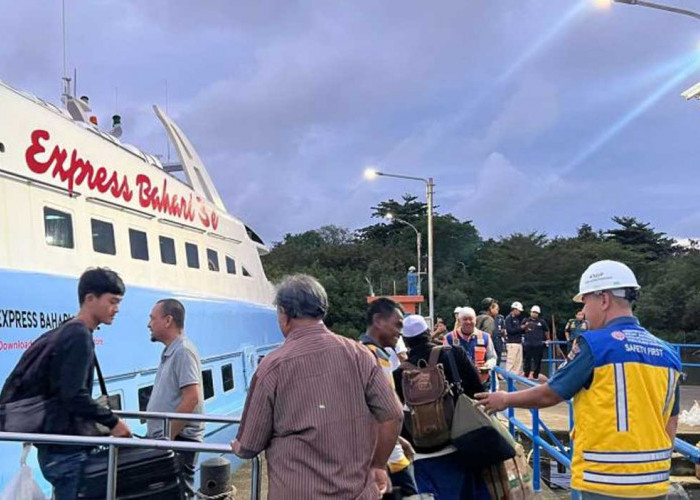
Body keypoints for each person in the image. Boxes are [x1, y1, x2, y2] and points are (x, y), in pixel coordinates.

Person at [476, 260, 682, 499]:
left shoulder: (594, 345)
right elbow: (672, 422)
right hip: (654, 481)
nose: (583, 312)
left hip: (604, 481)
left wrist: (505, 398)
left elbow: (551, 392)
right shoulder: (668, 353)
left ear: (603, 299)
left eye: (586, 302)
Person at [231, 275, 403, 499]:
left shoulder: (272, 366)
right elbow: (394, 415)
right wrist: (378, 465)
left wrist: (239, 446)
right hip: (358, 493)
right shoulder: (360, 355)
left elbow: (249, 445)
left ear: (284, 313)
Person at [37, 268, 132, 500]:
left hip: (55, 449)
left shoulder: (68, 330)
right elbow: (73, 395)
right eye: (112, 301)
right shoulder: (79, 335)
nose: (116, 309)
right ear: (90, 299)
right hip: (66, 452)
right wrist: (114, 423)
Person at [394, 315, 487, 499]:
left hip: (419, 452)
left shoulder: (399, 373)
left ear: (405, 340)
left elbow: (394, 414)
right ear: (429, 333)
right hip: (457, 444)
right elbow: (478, 391)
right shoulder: (453, 353)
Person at [361, 298, 419, 498]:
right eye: (397, 324)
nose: (400, 331)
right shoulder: (371, 356)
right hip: (385, 458)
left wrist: (397, 437)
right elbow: (383, 411)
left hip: (382, 451)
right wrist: (380, 460)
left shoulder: (370, 353)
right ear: (378, 320)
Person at [146, 299, 204, 496]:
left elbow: (191, 398)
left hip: (178, 443)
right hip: (169, 441)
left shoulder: (183, 351)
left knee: (178, 494)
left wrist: (167, 438)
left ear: (168, 320)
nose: (149, 324)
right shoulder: (171, 350)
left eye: (152, 318)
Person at [444, 307, 497, 389]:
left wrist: (488, 366)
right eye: (465, 319)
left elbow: (492, 357)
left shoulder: (485, 337)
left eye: (471, 319)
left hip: (481, 382)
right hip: (458, 384)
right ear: (459, 321)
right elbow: (444, 361)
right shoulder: (449, 338)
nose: (468, 322)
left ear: (475, 320)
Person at [521, 305, 550, 380]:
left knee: (538, 361)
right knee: (527, 360)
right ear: (531, 312)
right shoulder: (525, 320)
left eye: (536, 313)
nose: (534, 314)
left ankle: (536, 375)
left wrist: (548, 339)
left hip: (538, 344)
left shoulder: (541, 322)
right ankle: (526, 375)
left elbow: (546, 330)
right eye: (533, 312)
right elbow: (520, 329)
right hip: (528, 343)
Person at [504, 301, 525, 374]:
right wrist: (521, 328)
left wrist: (524, 329)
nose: (519, 312)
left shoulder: (516, 319)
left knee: (518, 362)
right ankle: (508, 377)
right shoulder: (508, 318)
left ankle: (515, 378)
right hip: (512, 343)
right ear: (515, 309)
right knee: (511, 362)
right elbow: (510, 330)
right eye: (519, 310)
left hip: (518, 342)